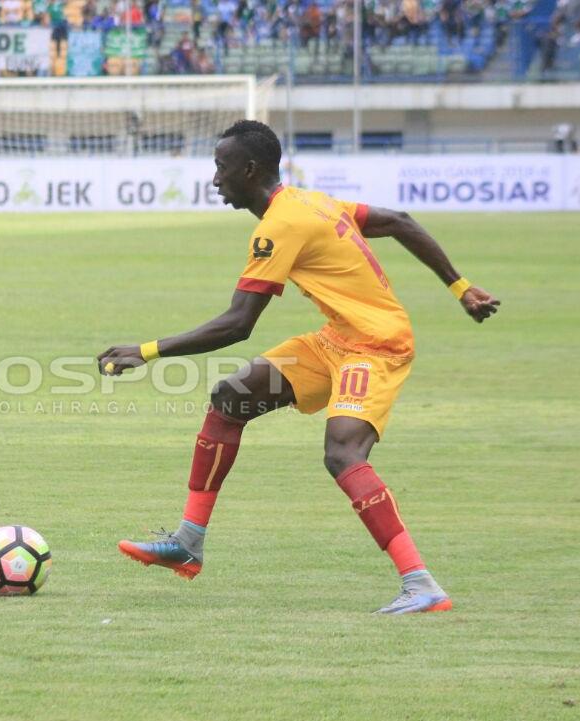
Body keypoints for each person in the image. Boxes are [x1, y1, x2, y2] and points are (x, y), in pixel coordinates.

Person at [101, 120, 500, 614]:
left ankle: (421, 584)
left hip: (375, 347)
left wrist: (146, 351)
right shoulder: (312, 202)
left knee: (344, 454)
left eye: (221, 168)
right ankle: (188, 542)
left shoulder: (280, 225)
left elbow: (237, 324)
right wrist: (460, 288)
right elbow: (398, 219)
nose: (215, 179)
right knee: (231, 398)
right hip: (337, 338)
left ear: (249, 170)